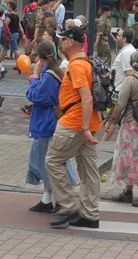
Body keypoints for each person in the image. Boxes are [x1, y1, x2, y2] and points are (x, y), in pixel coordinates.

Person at [45, 26, 102, 230]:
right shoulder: (87, 62)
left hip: (76, 121)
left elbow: (86, 98)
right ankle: (90, 214)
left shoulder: (77, 65)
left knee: (53, 160)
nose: (60, 42)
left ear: (70, 42)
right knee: (88, 170)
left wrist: (84, 127)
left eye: (62, 39)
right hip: (89, 120)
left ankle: (68, 206)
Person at [26, 41, 79, 212]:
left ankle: (62, 199)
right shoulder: (55, 72)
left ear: (41, 58)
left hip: (46, 123)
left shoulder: (49, 76)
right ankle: (48, 198)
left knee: (44, 162)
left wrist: (34, 78)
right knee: (45, 161)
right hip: (51, 122)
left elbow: (36, 96)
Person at [104, 51, 138, 208]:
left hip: (132, 124)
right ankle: (128, 193)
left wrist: (112, 119)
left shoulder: (130, 80)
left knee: (130, 158)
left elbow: (120, 104)